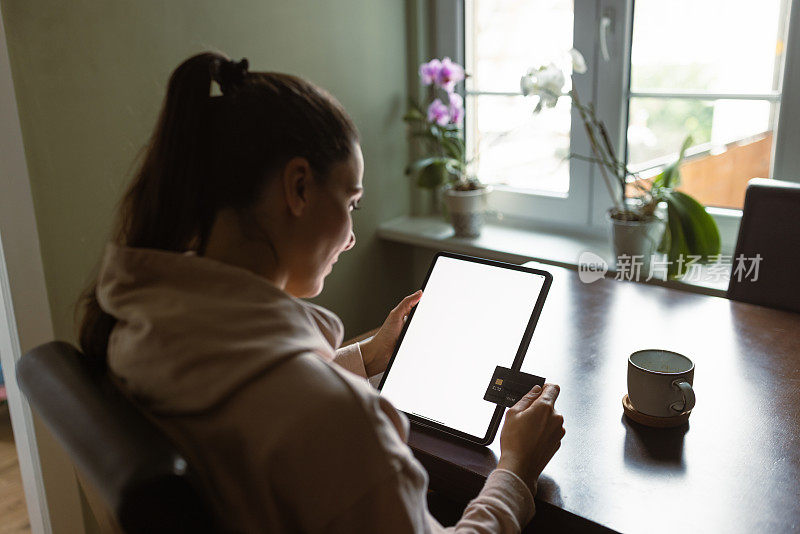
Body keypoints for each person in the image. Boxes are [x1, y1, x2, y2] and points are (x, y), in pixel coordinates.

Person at [78, 52, 565, 533]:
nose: (352, 236)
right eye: (351, 201)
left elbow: (258, 404)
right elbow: (298, 413)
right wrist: (516, 469)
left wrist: (366, 356)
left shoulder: (139, 324)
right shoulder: (337, 422)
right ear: (299, 188)